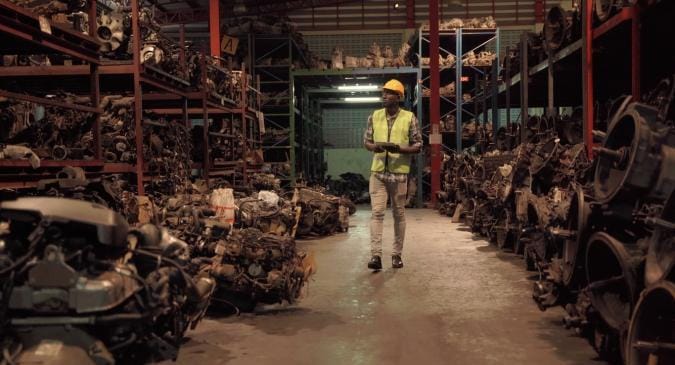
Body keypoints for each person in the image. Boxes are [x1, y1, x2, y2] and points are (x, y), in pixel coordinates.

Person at [363, 79, 422, 270]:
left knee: (399, 214)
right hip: (378, 173)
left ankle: (397, 255)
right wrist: (375, 147)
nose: (384, 96)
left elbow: (418, 144)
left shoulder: (409, 117)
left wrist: (401, 150)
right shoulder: (375, 116)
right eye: (384, 92)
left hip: (399, 175)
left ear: (398, 97)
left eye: (389, 93)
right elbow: (367, 141)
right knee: (377, 214)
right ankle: (376, 256)